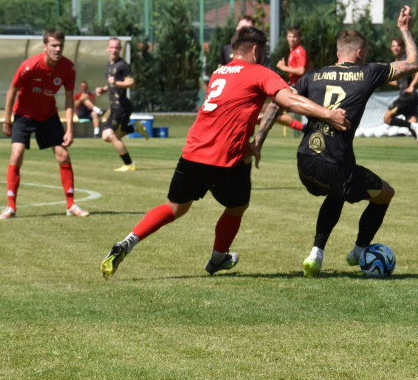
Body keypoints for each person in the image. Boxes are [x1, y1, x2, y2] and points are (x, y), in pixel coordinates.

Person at [101, 25, 351, 279]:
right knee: (237, 207)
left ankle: (128, 241)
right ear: (256, 50)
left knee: (174, 207)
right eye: (263, 51)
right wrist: (328, 114)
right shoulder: (259, 72)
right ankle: (218, 258)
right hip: (223, 161)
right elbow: (287, 100)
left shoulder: (219, 73)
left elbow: (230, 114)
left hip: (192, 152)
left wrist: (252, 143)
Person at [255, 6, 418, 278]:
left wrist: (258, 143)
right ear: (359, 53)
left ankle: (315, 255)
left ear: (337, 53)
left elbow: (276, 103)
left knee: (337, 191)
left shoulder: (314, 75)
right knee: (385, 194)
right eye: (364, 54)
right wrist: (405, 30)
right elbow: (414, 63)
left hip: (305, 162)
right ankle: (359, 251)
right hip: (334, 165)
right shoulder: (367, 72)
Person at [0, 29, 89, 220]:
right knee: (17, 153)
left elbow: (69, 100)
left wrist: (70, 129)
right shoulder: (30, 66)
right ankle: (11, 207)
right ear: (45, 46)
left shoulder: (68, 68)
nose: (57, 49)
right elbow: (11, 91)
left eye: (60, 45)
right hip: (24, 115)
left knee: (63, 154)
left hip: (48, 115)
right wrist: (7, 120)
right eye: (54, 45)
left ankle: (71, 205)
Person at [96, 37, 147, 172]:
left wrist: (116, 83)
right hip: (115, 106)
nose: (114, 50)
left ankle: (129, 164)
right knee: (106, 136)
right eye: (111, 47)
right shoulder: (108, 65)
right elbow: (112, 84)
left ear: (120, 49)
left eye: (117, 47)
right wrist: (103, 89)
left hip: (121, 106)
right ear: (108, 48)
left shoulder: (123, 65)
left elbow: (131, 83)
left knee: (110, 135)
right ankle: (135, 128)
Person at [383, 36, 418, 161]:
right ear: (391, 48)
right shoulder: (397, 63)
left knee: (387, 118)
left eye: (398, 46)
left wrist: (412, 86)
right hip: (411, 98)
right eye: (394, 45)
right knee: (414, 129)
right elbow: (398, 83)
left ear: (402, 48)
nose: (396, 48)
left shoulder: (405, 60)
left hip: (408, 96)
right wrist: (384, 80)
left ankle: (414, 126)